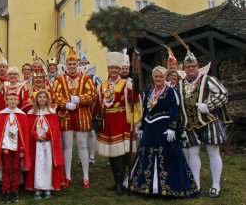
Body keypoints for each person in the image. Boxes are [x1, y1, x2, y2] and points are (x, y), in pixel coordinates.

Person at [130, 66, 200, 198]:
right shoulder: (149, 93)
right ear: (153, 77)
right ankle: (146, 187)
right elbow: (146, 111)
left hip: (164, 129)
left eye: (161, 77)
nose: (158, 79)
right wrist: (141, 127)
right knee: (147, 155)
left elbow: (174, 111)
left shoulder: (170, 92)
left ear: (165, 78)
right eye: (156, 76)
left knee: (166, 156)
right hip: (150, 129)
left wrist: (172, 128)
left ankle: (168, 188)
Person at [176, 47, 230, 198]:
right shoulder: (179, 85)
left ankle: (215, 186)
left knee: (213, 152)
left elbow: (223, 94)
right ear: (184, 68)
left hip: (209, 121)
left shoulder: (208, 80)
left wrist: (209, 106)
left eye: (193, 66)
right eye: (188, 66)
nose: (191, 68)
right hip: (189, 124)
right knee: (193, 153)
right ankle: (196, 185)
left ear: (197, 67)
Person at [94, 52, 140, 196]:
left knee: (120, 154)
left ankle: (120, 183)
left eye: (116, 68)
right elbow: (98, 104)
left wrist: (136, 86)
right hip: (107, 123)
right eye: (111, 68)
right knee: (111, 155)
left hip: (120, 121)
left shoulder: (126, 83)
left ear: (120, 70)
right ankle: (116, 181)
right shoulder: (102, 85)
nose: (113, 71)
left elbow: (134, 100)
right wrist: (95, 119)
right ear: (108, 69)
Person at [52, 46, 96, 189]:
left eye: (74, 64)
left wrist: (79, 99)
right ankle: (68, 176)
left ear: (78, 65)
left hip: (82, 115)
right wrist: (65, 104)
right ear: (66, 65)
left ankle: (86, 176)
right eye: (69, 64)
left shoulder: (86, 79)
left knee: (82, 145)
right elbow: (55, 96)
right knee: (67, 145)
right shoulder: (59, 80)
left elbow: (92, 95)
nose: (72, 66)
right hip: (66, 115)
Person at [0, 91, 30, 204]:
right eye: (10, 99)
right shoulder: (1, 115)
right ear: (7, 101)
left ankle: (15, 189)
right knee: (6, 168)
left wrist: (22, 149)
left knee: (16, 168)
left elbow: (24, 134)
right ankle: (5, 190)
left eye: (15, 99)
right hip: (5, 147)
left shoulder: (21, 115)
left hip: (17, 147)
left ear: (18, 101)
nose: (12, 101)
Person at [26, 90, 64, 199]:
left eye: (44, 97)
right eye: (40, 97)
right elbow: (28, 128)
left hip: (48, 145)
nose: (42, 99)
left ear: (47, 99)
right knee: (37, 165)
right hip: (36, 144)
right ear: (36, 99)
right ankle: (37, 189)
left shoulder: (52, 113)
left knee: (48, 165)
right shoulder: (31, 113)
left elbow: (55, 129)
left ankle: (48, 188)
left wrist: (46, 136)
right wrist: (35, 135)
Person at [78, 52, 102, 168]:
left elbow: (99, 93)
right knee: (80, 134)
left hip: (92, 109)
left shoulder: (95, 78)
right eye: (82, 63)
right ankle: (81, 157)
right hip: (80, 110)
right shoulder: (76, 78)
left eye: (85, 63)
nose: (84, 65)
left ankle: (91, 157)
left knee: (92, 132)